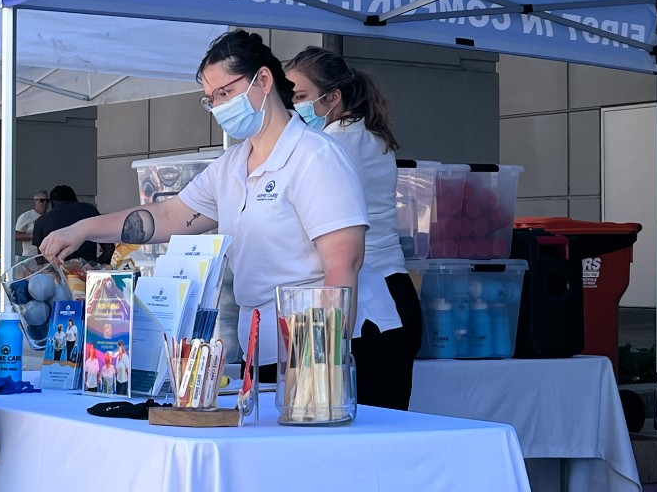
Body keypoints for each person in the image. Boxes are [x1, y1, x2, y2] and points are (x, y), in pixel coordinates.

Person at [41, 29, 373, 383]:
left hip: (317, 347)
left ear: (263, 79)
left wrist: (318, 368)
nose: (219, 107)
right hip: (264, 348)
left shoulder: (316, 157)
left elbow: (343, 265)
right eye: (211, 99)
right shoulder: (232, 164)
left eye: (226, 93)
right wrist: (84, 229)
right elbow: (169, 215)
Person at [285, 47, 423, 410]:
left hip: (369, 303)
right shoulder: (369, 136)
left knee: (360, 426)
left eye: (299, 97)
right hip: (388, 293)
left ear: (333, 97)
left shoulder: (331, 147)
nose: (292, 106)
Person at [32, 185, 114, 264]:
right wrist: (96, 267)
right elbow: (109, 249)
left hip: (58, 273)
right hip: (87, 272)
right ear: (75, 199)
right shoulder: (89, 210)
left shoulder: (41, 221)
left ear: (52, 203)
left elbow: (41, 260)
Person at [14, 190, 50, 258]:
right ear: (35, 202)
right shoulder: (26, 216)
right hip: (30, 257)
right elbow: (15, 235)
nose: (45, 203)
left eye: (47, 200)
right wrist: (33, 236)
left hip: (47, 257)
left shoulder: (50, 216)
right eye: (42, 200)